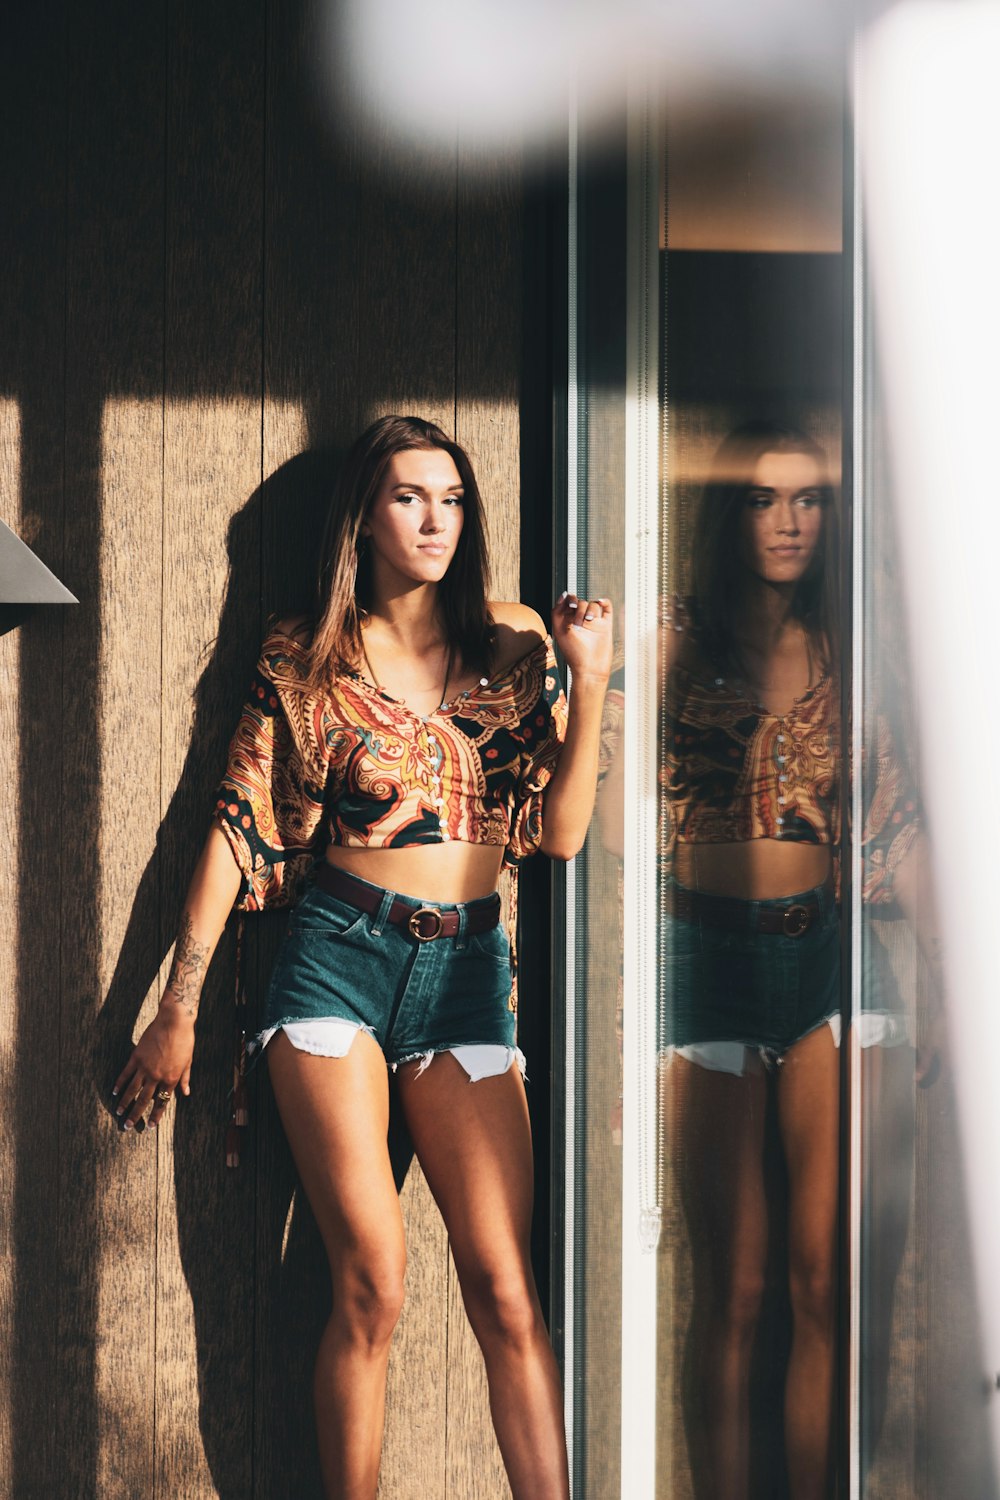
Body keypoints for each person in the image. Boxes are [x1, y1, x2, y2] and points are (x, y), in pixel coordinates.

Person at [112, 415, 612, 1500]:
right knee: (371, 1285)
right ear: (366, 518)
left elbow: (563, 833)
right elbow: (236, 826)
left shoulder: (517, 643)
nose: (435, 520)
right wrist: (178, 1006)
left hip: (469, 976)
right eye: (408, 498)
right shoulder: (308, 653)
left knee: (506, 1292)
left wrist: (595, 680)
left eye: (451, 499)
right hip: (334, 960)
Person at [655, 421, 922, 1500]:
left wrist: (952, 991)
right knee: (740, 1285)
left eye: (808, 502)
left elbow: (899, 830)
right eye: (764, 501)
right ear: (733, 515)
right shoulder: (680, 637)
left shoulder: (851, 650)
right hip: (704, 962)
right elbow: (614, 801)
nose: (787, 523)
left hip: (829, 964)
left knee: (826, 1284)